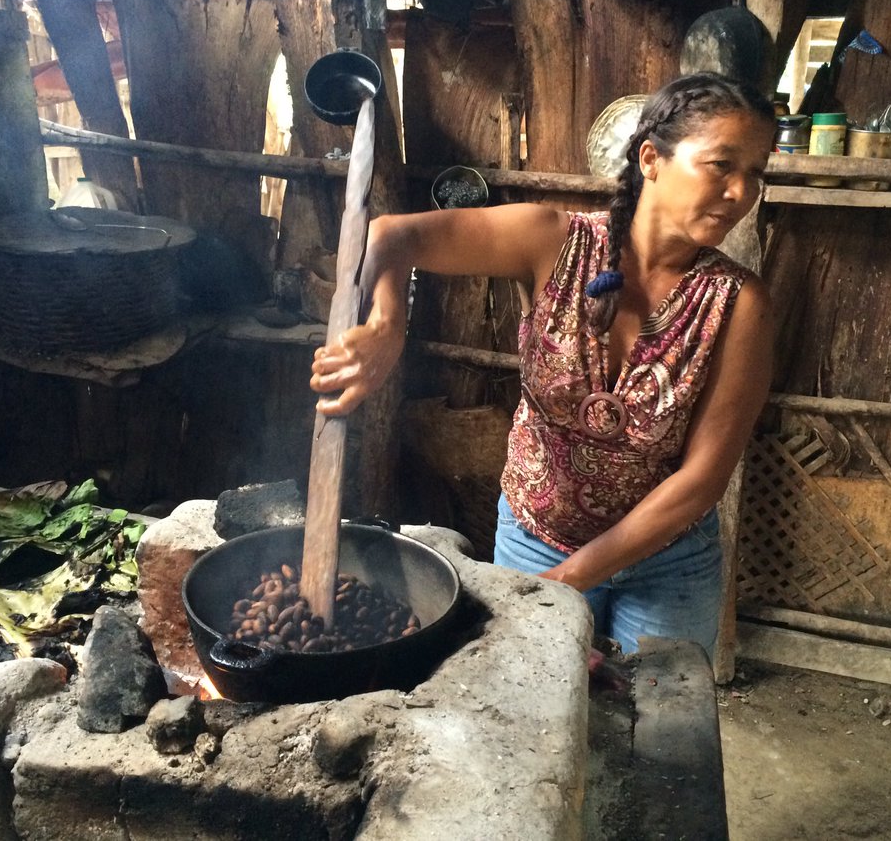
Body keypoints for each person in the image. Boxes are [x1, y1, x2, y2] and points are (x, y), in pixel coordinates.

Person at [310, 72, 777, 662]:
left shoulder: (739, 305)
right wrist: (385, 326)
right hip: (537, 541)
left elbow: (703, 481)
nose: (741, 191)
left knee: (649, 736)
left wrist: (567, 582)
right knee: (535, 729)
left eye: (756, 173)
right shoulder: (552, 242)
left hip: (669, 565)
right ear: (652, 159)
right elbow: (388, 237)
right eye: (722, 165)